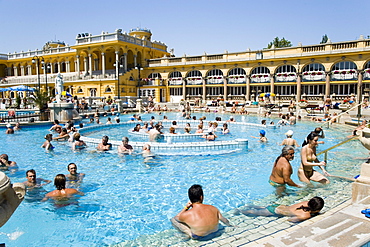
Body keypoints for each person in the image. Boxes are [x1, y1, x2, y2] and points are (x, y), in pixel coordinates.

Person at [235, 196, 324, 222]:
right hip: (274, 211)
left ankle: (248, 205)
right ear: (317, 210)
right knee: (254, 212)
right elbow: (290, 220)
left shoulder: (305, 203)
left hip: (279, 205)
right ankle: (240, 211)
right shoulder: (305, 215)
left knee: (262, 207)